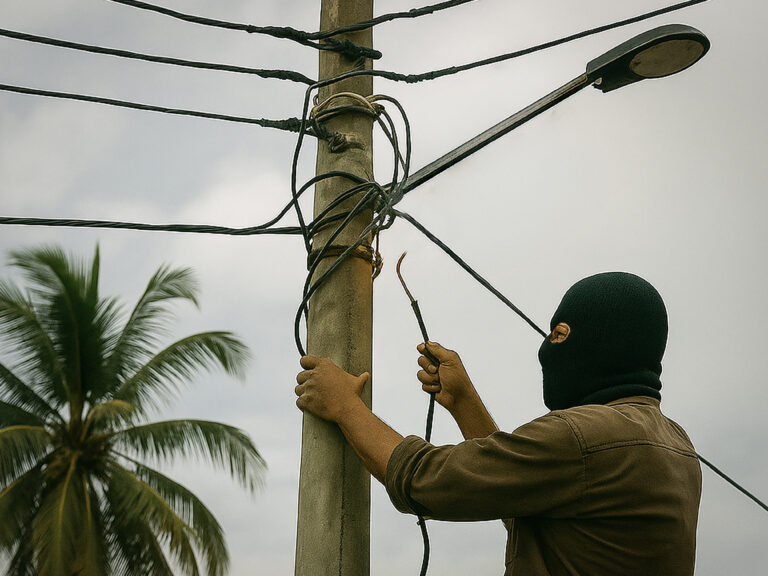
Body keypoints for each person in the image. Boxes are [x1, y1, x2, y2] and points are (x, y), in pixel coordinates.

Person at [295, 272, 702, 575]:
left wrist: (345, 406)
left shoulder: (582, 437)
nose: (546, 350)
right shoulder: (677, 448)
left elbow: (429, 480)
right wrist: (464, 403)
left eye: (558, 335)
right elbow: (530, 502)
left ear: (602, 341)